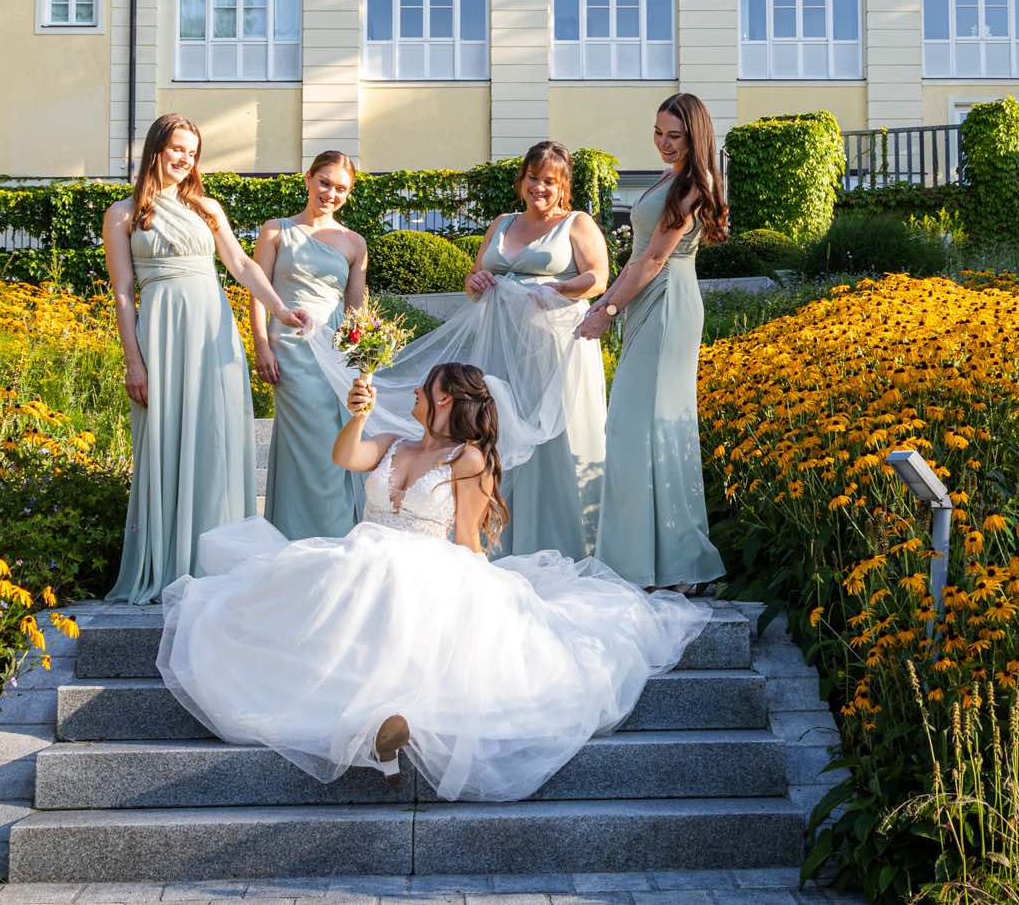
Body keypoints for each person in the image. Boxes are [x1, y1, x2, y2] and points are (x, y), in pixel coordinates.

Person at [156, 363, 709, 801]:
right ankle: (373, 720)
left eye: (424, 389)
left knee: (398, 594)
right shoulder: (392, 442)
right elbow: (346, 456)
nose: (415, 395)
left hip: (424, 563)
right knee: (332, 587)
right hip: (360, 554)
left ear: (445, 400)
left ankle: (390, 720)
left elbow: (466, 534)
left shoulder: (469, 459)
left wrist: (488, 595)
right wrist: (357, 415)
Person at [103, 113, 311, 604]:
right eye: (178, 148)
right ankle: (169, 563)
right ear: (156, 148)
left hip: (213, 334)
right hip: (161, 335)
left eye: (192, 152)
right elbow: (123, 293)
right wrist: (134, 362)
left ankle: (219, 561)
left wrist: (280, 309)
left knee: (218, 438)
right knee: (165, 442)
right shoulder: (123, 213)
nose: (185, 159)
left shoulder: (206, 207)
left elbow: (241, 265)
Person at [583, 93, 730, 591]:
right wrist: (606, 302)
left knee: (649, 425)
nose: (664, 144)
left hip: (668, 302)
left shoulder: (693, 186)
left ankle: (670, 563)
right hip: (647, 298)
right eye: (658, 133)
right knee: (635, 425)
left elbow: (653, 260)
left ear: (695, 137)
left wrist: (607, 312)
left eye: (675, 136)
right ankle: (644, 559)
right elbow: (636, 258)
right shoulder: (669, 178)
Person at [462, 143, 612, 557]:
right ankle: (499, 542)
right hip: (499, 346)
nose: (539, 188)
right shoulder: (502, 223)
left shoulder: (576, 224)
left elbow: (599, 278)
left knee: (552, 440)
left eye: (550, 180)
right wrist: (475, 283)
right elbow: (475, 279)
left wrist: (559, 288)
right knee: (499, 432)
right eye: (533, 178)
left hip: (553, 348)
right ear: (522, 180)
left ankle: (562, 544)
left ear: (563, 186)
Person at [250, 151, 370, 541]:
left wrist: (362, 365)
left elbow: (355, 310)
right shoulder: (276, 230)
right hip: (290, 350)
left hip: (335, 354)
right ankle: (295, 535)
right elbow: (258, 292)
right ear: (308, 178)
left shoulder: (354, 243)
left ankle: (336, 535)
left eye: (341, 189)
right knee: (305, 442)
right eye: (325, 183)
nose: (331, 194)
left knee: (334, 439)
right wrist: (262, 346)